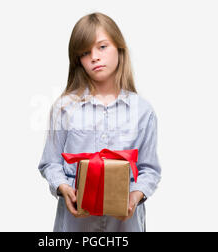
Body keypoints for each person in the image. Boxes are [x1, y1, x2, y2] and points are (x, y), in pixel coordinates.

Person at [38, 12, 162, 232]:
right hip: (76, 226)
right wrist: (63, 187)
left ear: (119, 48)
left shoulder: (143, 111)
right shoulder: (64, 108)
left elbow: (149, 169)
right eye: (85, 52)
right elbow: (50, 163)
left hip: (125, 227)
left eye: (102, 47)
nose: (94, 57)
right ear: (78, 61)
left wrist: (135, 196)